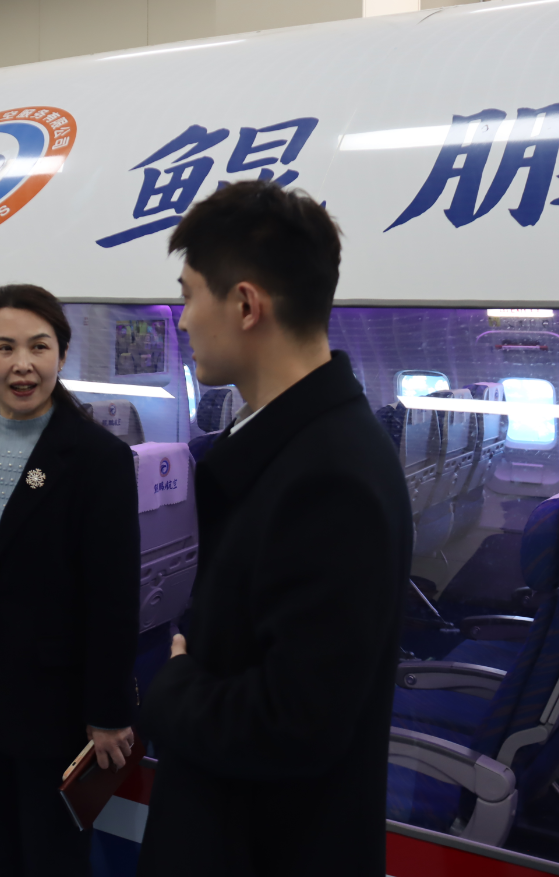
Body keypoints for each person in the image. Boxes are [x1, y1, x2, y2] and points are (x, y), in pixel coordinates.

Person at [138, 181, 412, 876]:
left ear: (244, 305)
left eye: (188, 295)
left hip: (261, 847)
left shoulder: (329, 477)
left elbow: (294, 722)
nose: (182, 320)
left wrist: (171, 686)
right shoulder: (299, 441)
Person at [0, 285, 141, 877]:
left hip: (55, 702)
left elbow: (114, 595)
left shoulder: (98, 458)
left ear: (61, 355)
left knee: (53, 860)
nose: (23, 365)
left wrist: (108, 710)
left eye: (39, 347)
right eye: (5, 347)